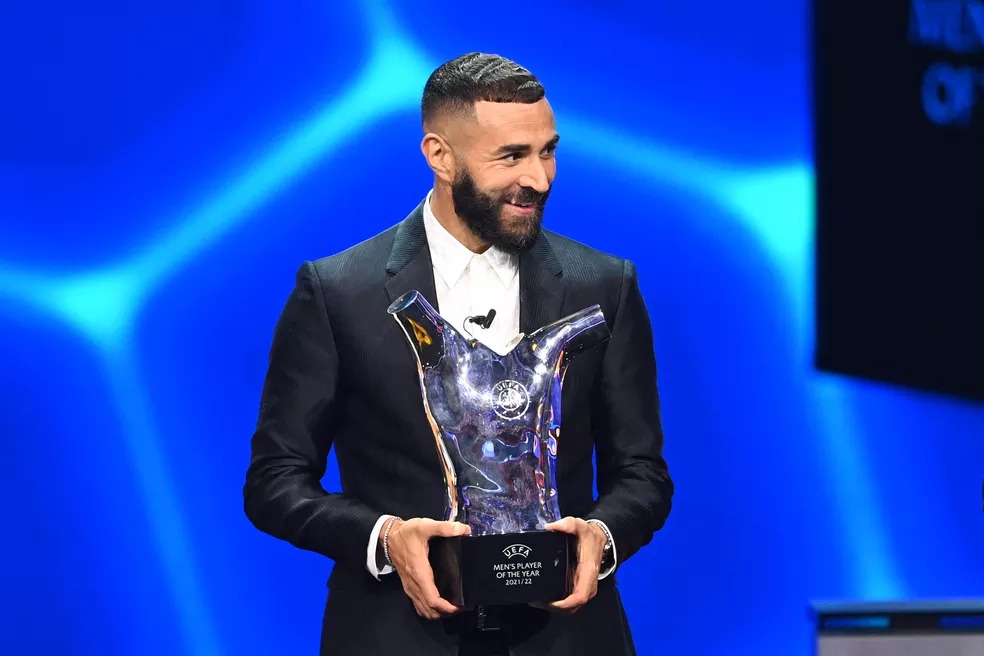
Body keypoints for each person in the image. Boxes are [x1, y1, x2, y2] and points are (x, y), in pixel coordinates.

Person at [244, 52, 673, 655]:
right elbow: (275, 481)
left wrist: (601, 536)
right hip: (397, 637)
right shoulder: (338, 291)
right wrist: (385, 538)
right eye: (512, 156)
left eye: (547, 151)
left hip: (568, 639)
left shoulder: (603, 285)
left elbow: (643, 474)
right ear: (440, 155)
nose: (540, 179)